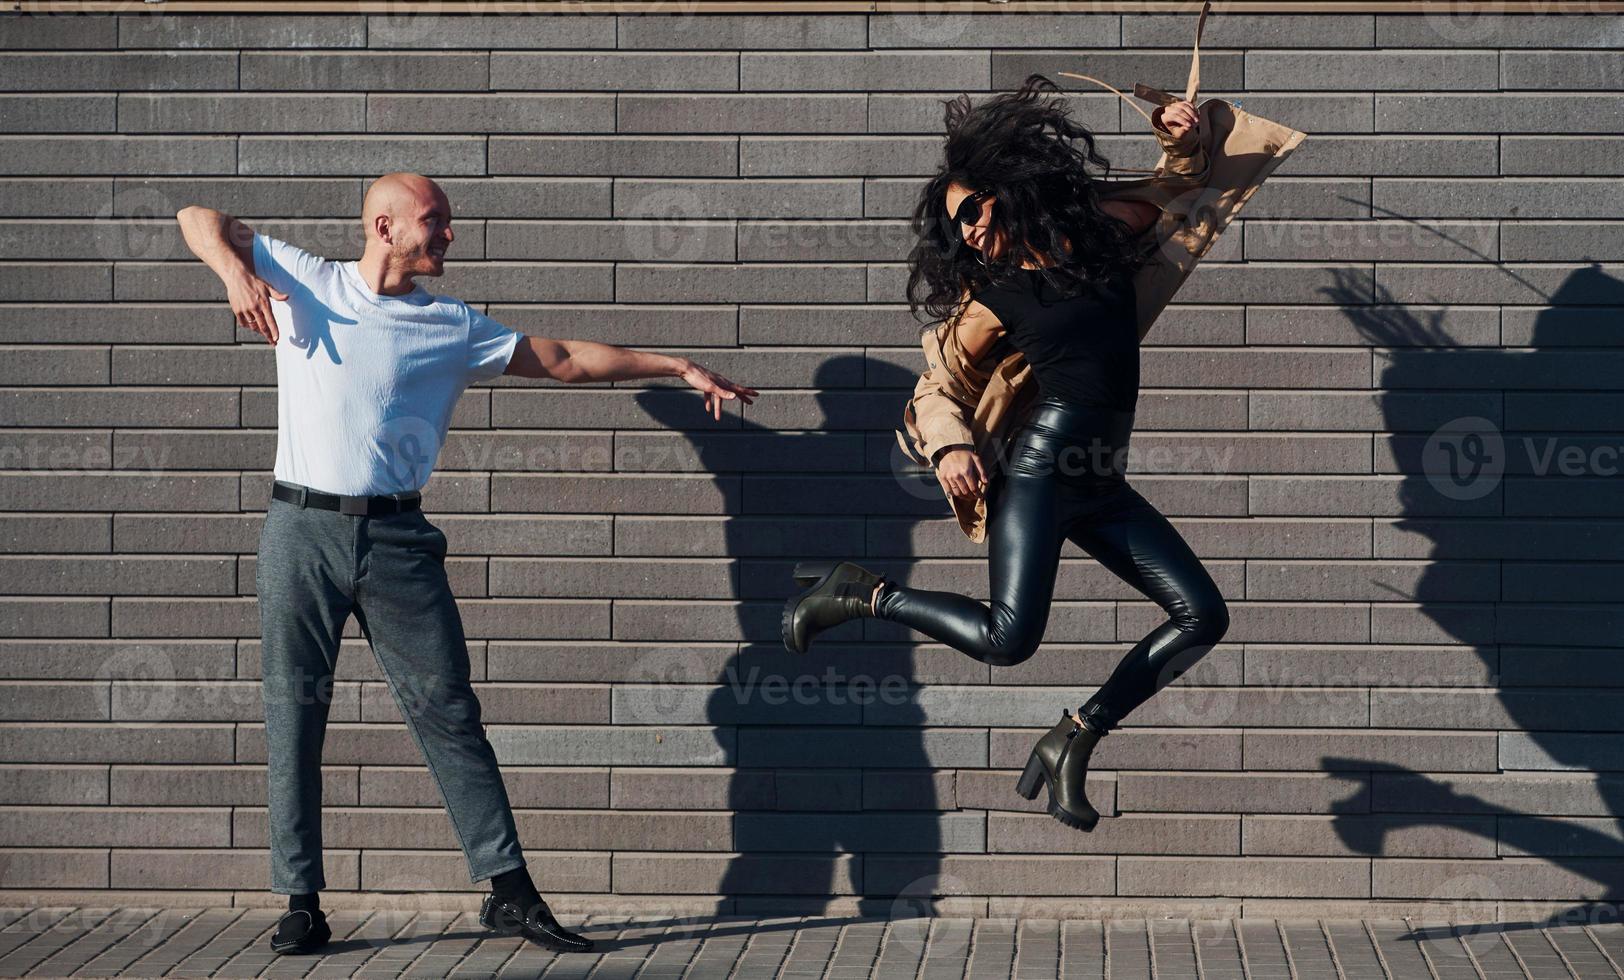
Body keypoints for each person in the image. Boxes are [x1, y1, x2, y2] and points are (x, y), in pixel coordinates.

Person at [176, 173, 757, 956]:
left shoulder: (448, 324)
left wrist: (673, 365)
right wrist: (236, 272)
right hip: (299, 530)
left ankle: (510, 894)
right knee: (294, 715)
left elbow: (564, 358)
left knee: (449, 712)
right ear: (384, 227)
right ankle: (302, 902)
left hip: (397, 544)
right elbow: (196, 216)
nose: (449, 235)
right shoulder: (305, 279)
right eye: (435, 221)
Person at [782, 77, 1230, 833]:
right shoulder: (993, 299)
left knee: (1202, 615)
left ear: (1008, 191)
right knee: (1007, 640)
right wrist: (952, 444)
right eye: (954, 227)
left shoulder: (1101, 234)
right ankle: (863, 593)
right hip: (1042, 471)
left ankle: (1075, 737)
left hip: (1101, 479)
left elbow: (1179, 187)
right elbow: (938, 385)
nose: (967, 236)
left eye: (970, 214)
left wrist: (1179, 135)